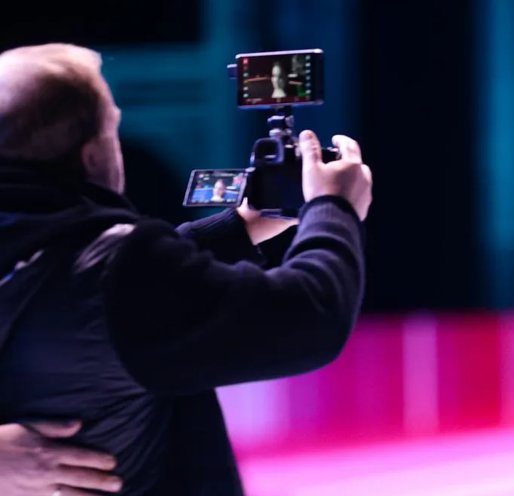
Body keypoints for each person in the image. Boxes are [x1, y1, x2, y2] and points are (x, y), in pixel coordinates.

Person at [0, 43, 373, 495]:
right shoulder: (121, 270)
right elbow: (311, 315)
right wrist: (334, 209)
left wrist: (238, 228)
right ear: (92, 155)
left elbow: (84, 278)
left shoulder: (72, 256)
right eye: (113, 128)